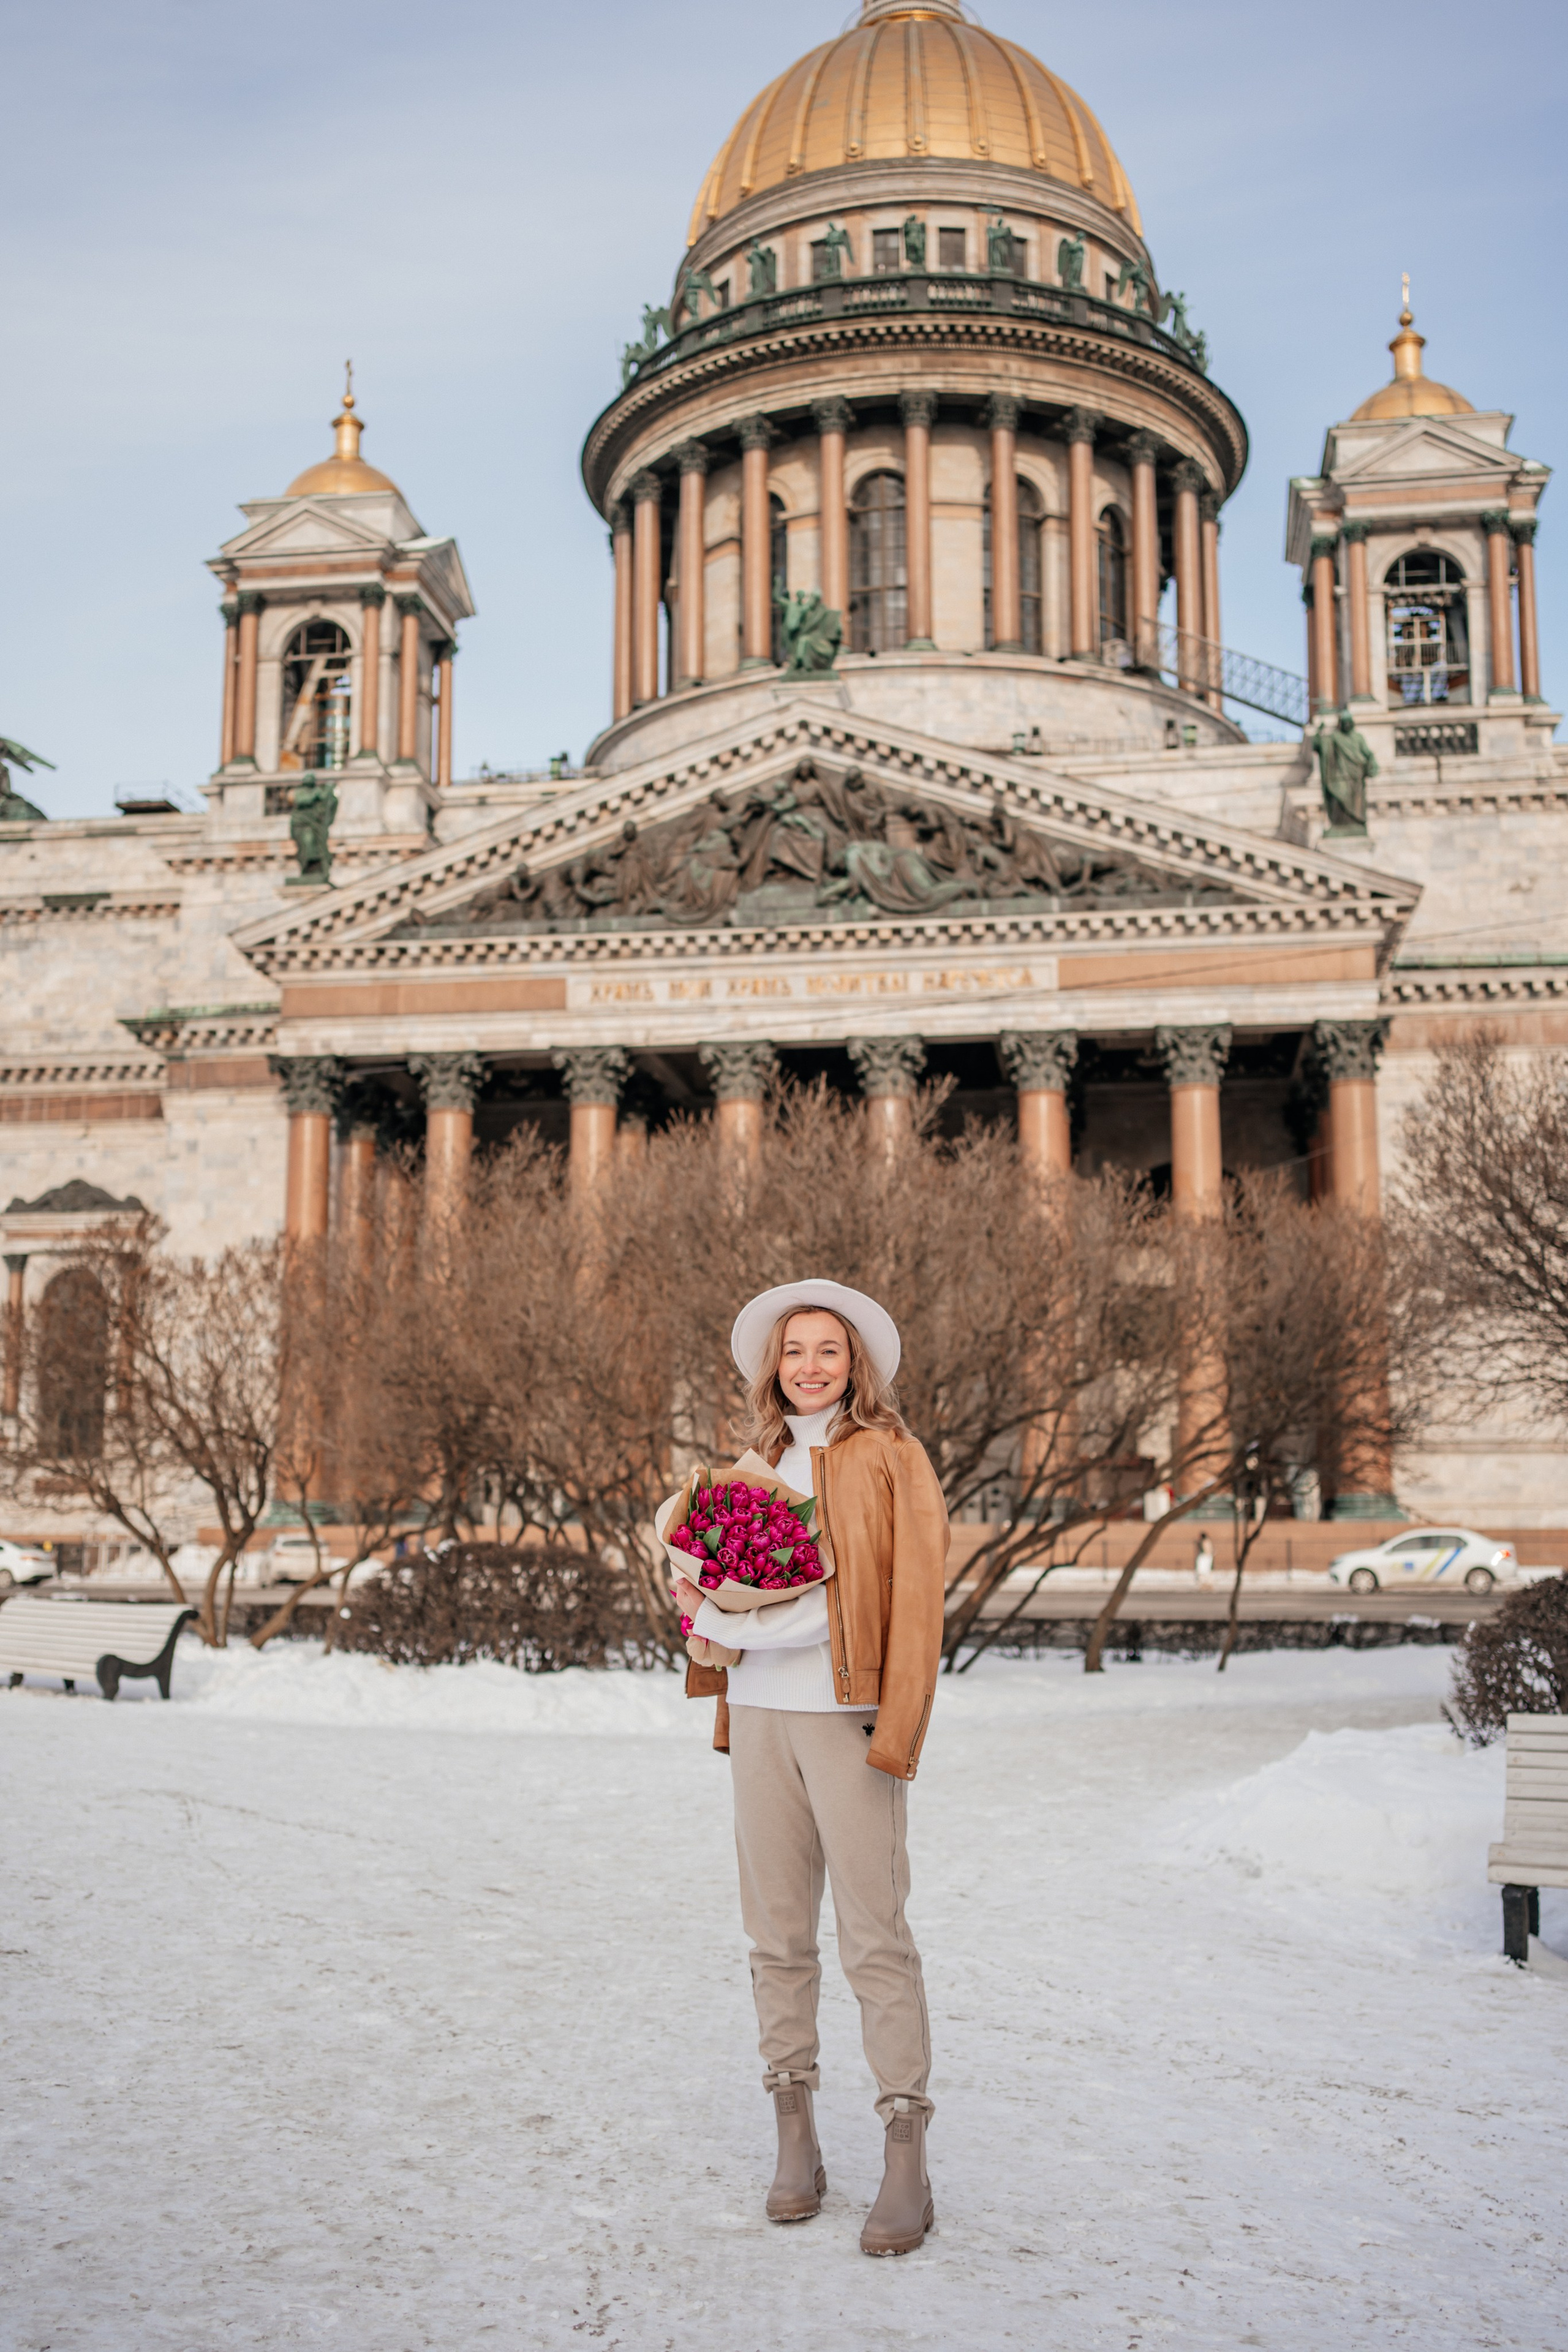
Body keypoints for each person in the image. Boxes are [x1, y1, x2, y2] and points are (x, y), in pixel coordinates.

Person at [672, 1278, 949, 2256]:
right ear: (773, 1367)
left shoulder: (893, 1457)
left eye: (828, 1348)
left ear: (855, 1363)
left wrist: (898, 1727)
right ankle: (796, 2140)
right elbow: (722, 1595)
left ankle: (906, 2157)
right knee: (777, 1938)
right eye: (794, 1350)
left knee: (875, 1938)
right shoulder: (752, 1466)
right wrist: (702, 1612)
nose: (810, 1365)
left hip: (846, 1722)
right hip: (759, 1720)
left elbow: (909, 1599)